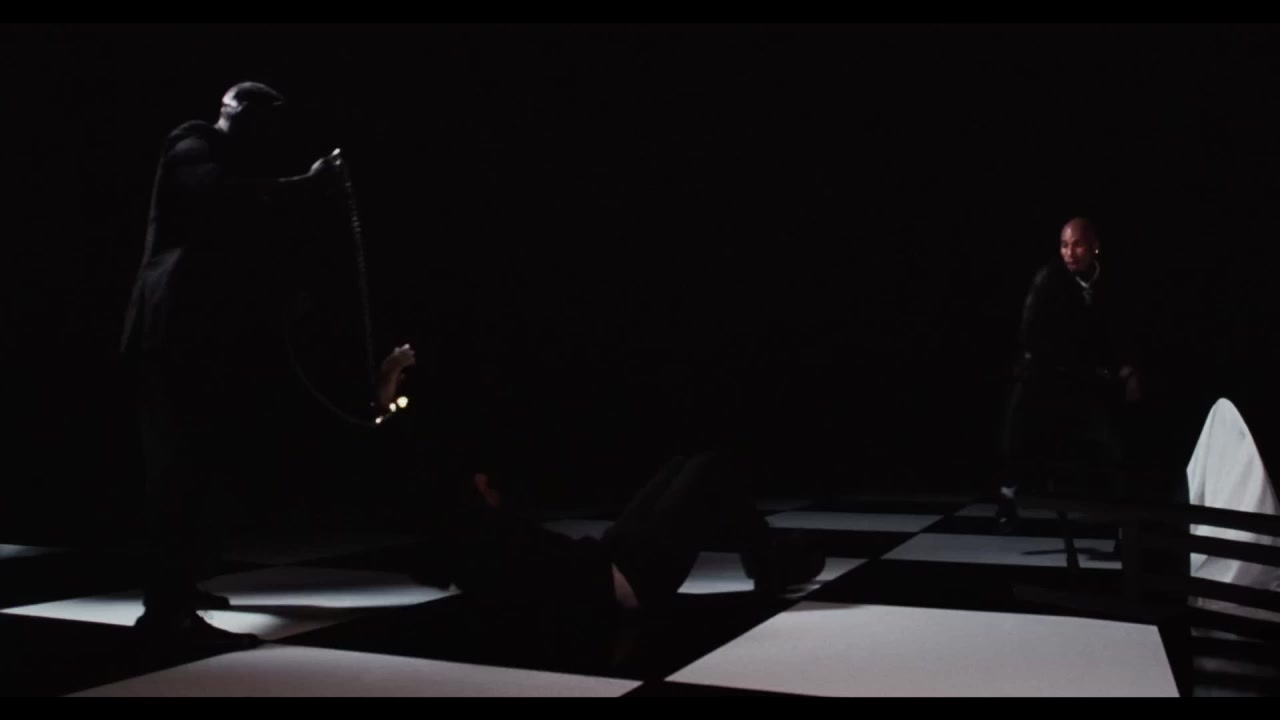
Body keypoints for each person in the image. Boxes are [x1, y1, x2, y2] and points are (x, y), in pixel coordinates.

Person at [121, 81, 345, 650]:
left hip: (197, 341)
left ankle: (179, 587)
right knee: (175, 470)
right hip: (169, 337)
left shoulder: (235, 169)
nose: (271, 133)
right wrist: (305, 185)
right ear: (235, 112)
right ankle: (165, 610)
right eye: (263, 119)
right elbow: (214, 196)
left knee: (197, 467)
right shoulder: (192, 140)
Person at [997, 218, 1140, 530]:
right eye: (1064, 245)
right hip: (1044, 373)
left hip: (1084, 377)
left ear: (1094, 247)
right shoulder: (1049, 279)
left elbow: (1117, 331)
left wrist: (1125, 369)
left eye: (1077, 245)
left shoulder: (1108, 282)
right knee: (1017, 436)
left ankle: (1124, 519)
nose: (1069, 253)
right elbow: (1030, 332)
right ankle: (1008, 497)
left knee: (1112, 442)